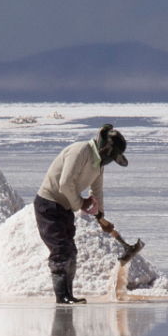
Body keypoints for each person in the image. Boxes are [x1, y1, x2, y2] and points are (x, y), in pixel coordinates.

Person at [34, 123, 128, 304]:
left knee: (71, 251)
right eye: (111, 157)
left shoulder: (98, 165)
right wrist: (80, 204)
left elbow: (97, 192)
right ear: (105, 150)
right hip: (48, 204)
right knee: (60, 250)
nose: (110, 161)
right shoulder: (80, 152)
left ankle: (68, 294)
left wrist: (101, 217)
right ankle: (61, 297)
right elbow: (64, 183)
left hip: (64, 208)